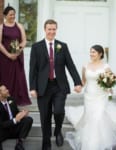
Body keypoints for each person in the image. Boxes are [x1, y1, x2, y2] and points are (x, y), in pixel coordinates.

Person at [65, 45, 116, 150]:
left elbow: (110, 82)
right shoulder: (85, 65)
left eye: (93, 52)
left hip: (101, 96)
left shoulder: (105, 67)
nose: (91, 54)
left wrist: (109, 89)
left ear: (100, 54)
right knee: (90, 117)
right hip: (89, 95)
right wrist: (79, 87)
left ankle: (96, 144)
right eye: (90, 52)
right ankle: (89, 142)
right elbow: (83, 81)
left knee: (98, 116)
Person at [29, 19, 82, 150]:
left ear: (56, 30)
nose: (52, 31)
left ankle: (58, 131)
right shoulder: (36, 47)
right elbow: (33, 69)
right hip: (43, 87)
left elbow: (70, 65)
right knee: (44, 116)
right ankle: (46, 143)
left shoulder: (62, 46)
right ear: (45, 30)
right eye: (49, 29)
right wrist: (32, 87)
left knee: (58, 112)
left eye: (54, 29)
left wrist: (77, 82)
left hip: (59, 86)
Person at [0, 6, 31, 106]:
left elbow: (24, 40)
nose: (13, 16)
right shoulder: (1, 27)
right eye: (10, 15)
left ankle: (19, 100)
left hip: (17, 57)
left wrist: (18, 50)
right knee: (6, 77)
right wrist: (9, 54)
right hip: (5, 58)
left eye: (14, 14)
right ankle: (6, 99)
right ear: (5, 16)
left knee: (19, 78)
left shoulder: (19, 26)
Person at [0, 84, 33, 150]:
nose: (7, 91)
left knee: (28, 120)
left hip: (14, 128)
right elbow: (2, 124)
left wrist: (22, 114)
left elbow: (16, 113)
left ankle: (19, 143)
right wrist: (15, 120)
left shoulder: (11, 100)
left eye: (7, 89)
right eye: (5, 90)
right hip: (3, 131)